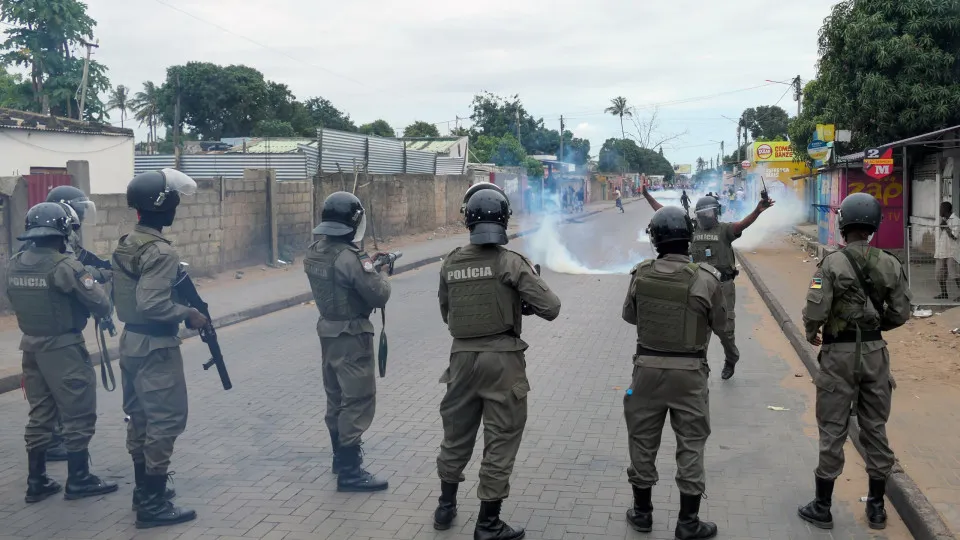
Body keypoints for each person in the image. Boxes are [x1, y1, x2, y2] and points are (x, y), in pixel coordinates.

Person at [433, 188, 560, 540]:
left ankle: (445, 507)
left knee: (455, 435)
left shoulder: (451, 261)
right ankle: (488, 524)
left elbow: (448, 313)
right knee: (500, 440)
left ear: (467, 219)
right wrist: (521, 300)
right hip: (503, 362)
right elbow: (551, 307)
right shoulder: (511, 262)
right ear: (503, 219)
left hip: (460, 359)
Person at [798, 193, 912, 531]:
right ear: (874, 226)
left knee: (833, 429)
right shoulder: (891, 263)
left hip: (838, 357)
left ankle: (822, 506)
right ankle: (876, 507)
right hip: (876, 356)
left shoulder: (831, 264)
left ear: (843, 224)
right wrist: (877, 328)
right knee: (875, 428)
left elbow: (815, 309)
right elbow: (901, 312)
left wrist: (810, 331)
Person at [621, 206, 726, 540]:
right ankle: (688, 523)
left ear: (654, 239)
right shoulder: (706, 279)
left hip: (646, 371)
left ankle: (641, 514)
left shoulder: (640, 274)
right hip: (690, 374)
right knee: (691, 445)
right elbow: (721, 323)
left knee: (642, 440)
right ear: (689, 238)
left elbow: (630, 316)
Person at [5, 202, 118, 503]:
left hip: (30, 347)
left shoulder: (13, 263)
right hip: (64, 349)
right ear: (64, 231)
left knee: (40, 413)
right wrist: (92, 279)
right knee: (78, 411)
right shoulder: (64, 266)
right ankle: (79, 479)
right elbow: (102, 305)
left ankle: (37, 480)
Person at [112, 169, 206, 529]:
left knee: (140, 418)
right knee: (165, 421)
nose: (177, 206)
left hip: (131, 342)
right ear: (162, 204)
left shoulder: (127, 242)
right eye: (174, 200)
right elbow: (152, 303)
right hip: (155, 344)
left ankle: (142, 491)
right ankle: (152, 503)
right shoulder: (162, 252)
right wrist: (189, 314)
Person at [304, 191, 392, 492]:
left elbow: (340, 277)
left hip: (328, 332)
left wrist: (366, 261)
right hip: (352, 336)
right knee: (357, 400)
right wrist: (380, 271)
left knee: (336, 398)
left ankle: (339, 459)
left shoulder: (315, 251)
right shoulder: (350, 258)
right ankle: (351, 472)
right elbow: (378, 294)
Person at [642, 187, 774, 380]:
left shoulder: (725, 230)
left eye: (710, 212)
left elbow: (742, 225)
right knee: (699, 331)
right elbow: (664, 212)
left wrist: (757, 211)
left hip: (723, 287)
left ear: (716, 212)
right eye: (702, 214)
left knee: (726, 331)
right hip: (698, 287)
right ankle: (700, 366)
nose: (706, 216)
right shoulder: (691, 228)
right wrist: (647, 196)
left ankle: (731, 358)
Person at [934, 201, 960, 301]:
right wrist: (943, 226)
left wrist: (946, 226)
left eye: (941, 209)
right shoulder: (945, 220)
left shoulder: (956, 220)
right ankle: (944, 293)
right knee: (940, 274)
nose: (940, 211)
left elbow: (954, 236)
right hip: (942, 251)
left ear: (946, 210)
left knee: (955, 274)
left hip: (951, 252)